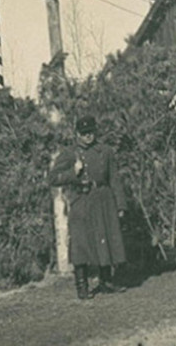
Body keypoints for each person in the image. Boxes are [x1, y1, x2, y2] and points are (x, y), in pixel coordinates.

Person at [50, 116, 128, 299]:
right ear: (77, 134)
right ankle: (82, 287)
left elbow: (114, 179)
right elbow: (52, 178)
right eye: (84, 133)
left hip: (103, 199)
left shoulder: (105, 151)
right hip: (81, 201)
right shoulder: (69, 154)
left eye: (91, 132)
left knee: (105, 239)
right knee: (80, 244)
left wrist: (120, 205)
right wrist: (72, 173)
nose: (88, 136)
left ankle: (107, 281)